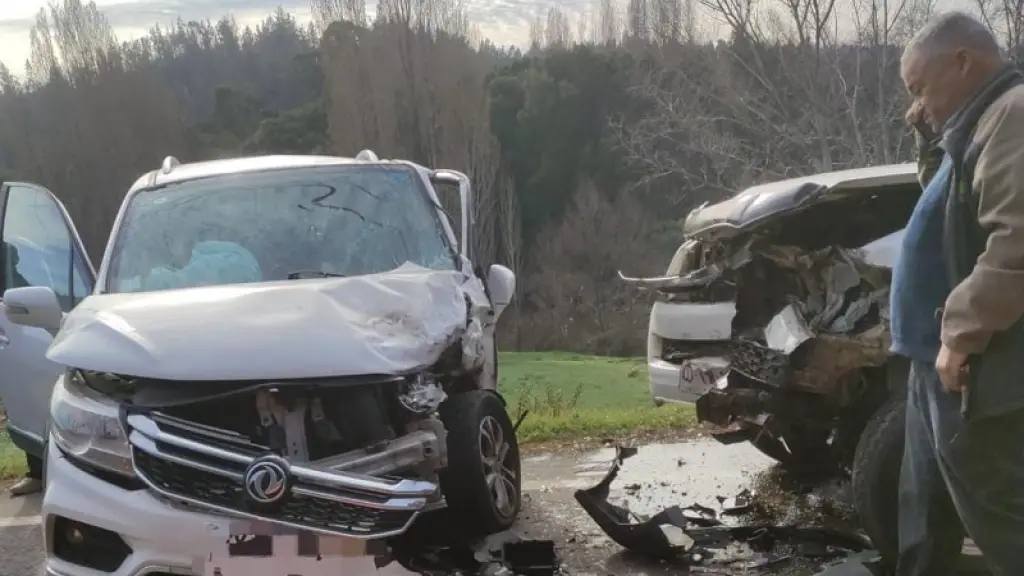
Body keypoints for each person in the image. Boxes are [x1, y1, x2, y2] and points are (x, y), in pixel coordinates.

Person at [893, 11, 1024, 576]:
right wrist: (929, 139)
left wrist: (960, 335)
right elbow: (950, 205)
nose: (916, 103)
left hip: (972, 366)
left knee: (998, 516)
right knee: (923, 518)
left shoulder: (1014, 116)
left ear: (964, 62)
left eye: (919, 86)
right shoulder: (977, 122)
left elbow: (1015, 245)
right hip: (932, 359)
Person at [2, 241, 43, 496]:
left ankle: (39, 473)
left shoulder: (18, 279)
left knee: (34, 402)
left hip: (24, 340)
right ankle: (36, 473)